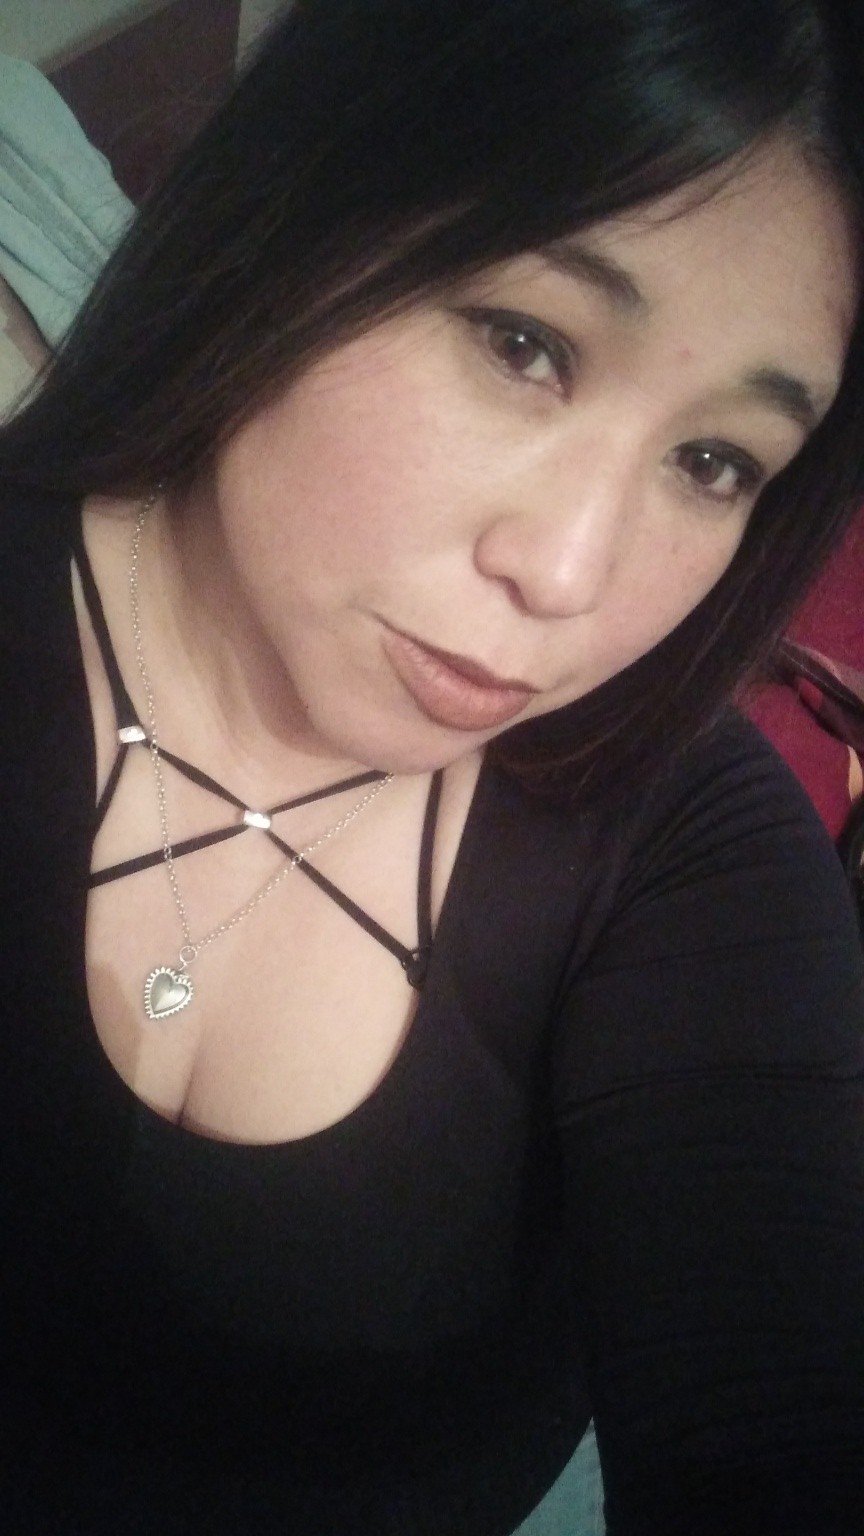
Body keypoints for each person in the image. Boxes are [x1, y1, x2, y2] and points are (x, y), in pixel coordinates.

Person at [0, 2, 863, 1532]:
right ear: (301, 205)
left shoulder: (687, 846)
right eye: (526, 345)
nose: (570, 574)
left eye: (713, 460)